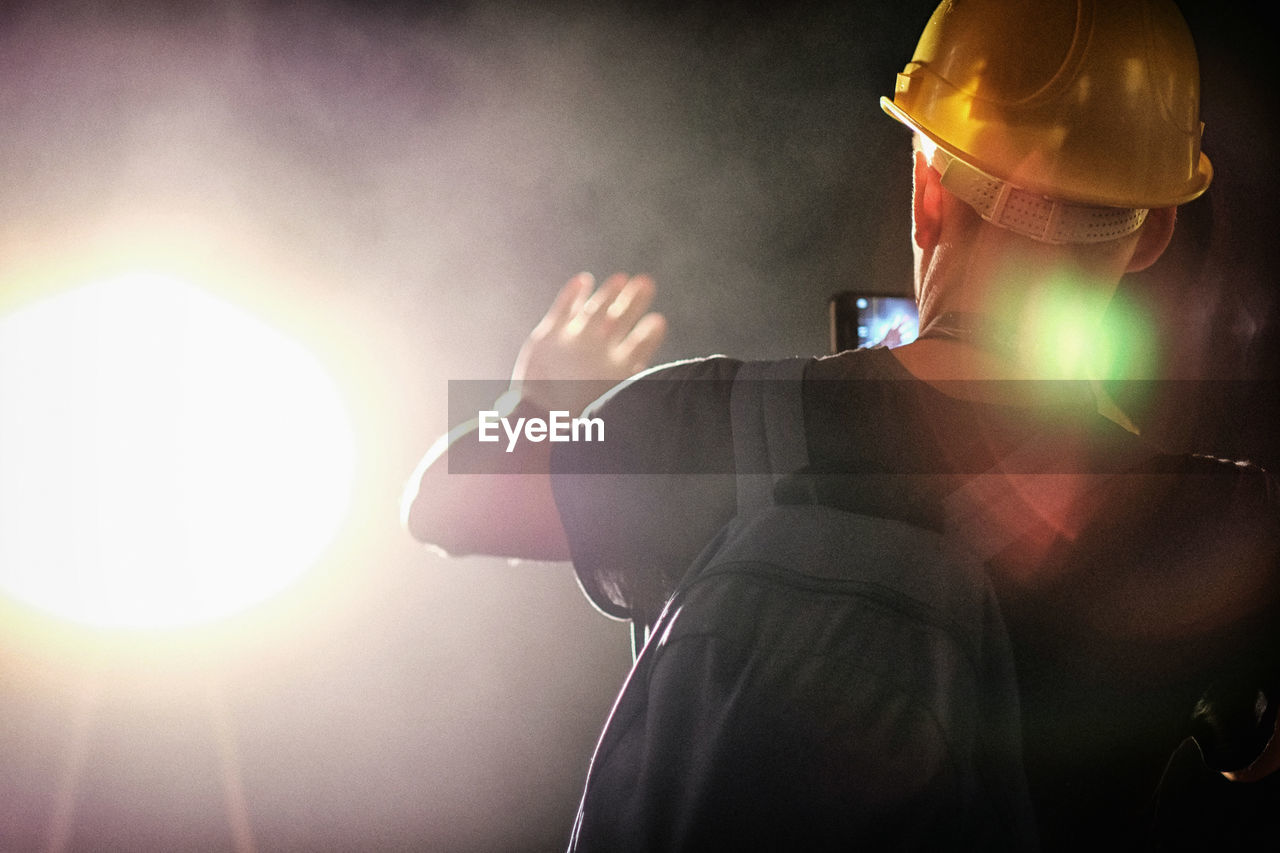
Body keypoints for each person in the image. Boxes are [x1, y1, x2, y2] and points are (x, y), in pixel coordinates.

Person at [403, 0, 1280, 848]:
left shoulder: (698, 421)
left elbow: (445, 497)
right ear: (1157, 228)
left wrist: (546, 399)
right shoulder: (1213, 520)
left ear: (928, 193)